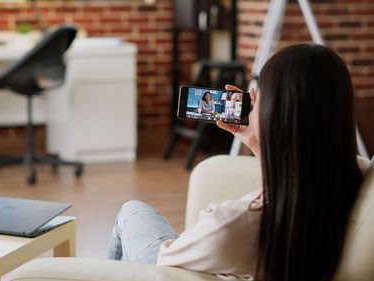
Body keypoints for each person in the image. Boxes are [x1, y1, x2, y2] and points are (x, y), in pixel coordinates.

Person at [107, 44, 368, 281]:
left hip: (174, 262)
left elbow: (166, 260)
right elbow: (290, 173)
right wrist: (256, 140)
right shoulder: (352, 174)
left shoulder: (231, 224)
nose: (251, 98)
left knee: (131, 211)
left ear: (274, 115)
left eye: (259, 97)